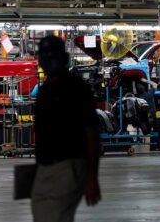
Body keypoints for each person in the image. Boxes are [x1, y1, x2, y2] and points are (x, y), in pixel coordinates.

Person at [32, 35, 101, 222]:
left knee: (55, 216)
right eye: (43, 56)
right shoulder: (45, 89)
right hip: (46, 168)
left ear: (65, 59)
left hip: (69, 165)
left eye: (51, 56)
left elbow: (92, 133)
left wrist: (92, 177)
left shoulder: (76, 87)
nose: (47, 60)